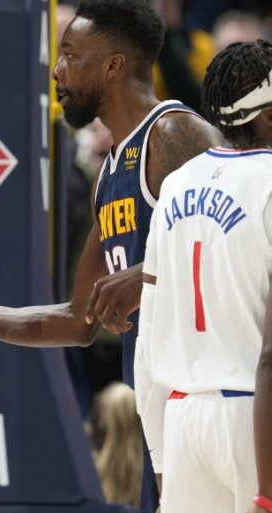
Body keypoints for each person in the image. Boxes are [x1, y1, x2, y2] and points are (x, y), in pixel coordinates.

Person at [0, 1, 224, 511]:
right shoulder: (110, 174)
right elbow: (80, 320)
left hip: (216, 402)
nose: (57, 71)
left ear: (113, 65)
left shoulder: (175, 135)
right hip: (160, 411)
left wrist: (149, 275)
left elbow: (242, 248)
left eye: (71, 55)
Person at [134, 39, 272, 513]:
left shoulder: (175, 186)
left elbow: (147, 343)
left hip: (181, 420)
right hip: (256, 419)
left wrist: (161, 461)